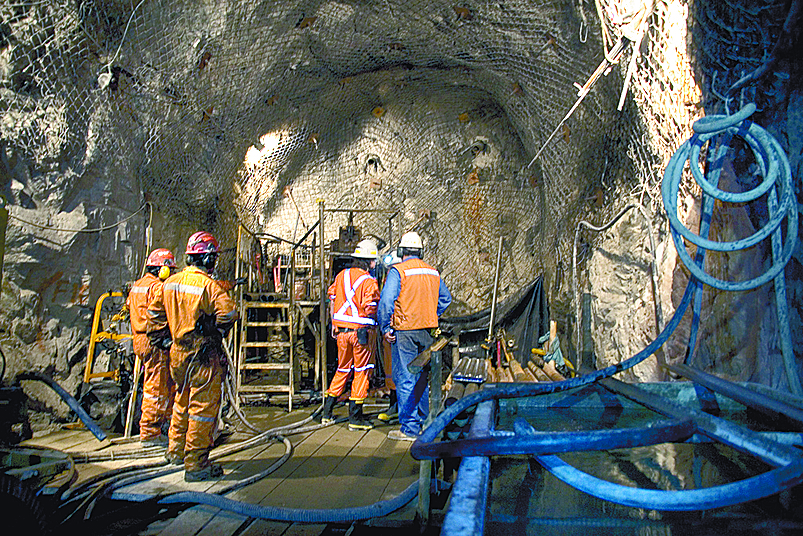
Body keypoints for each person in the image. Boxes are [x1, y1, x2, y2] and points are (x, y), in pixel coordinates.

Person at [146, 231, 239, 481]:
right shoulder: (208, 285)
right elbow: (230, 314)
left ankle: (176, 451)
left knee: (182, 400)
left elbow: (153, 315)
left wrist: (163, 339)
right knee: (202, 408)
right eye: (213, 257)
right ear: (207, 259)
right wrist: (213, 330)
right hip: (202, 354)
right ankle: (196, 464)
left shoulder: (170, 283)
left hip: (177, 353)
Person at [378, 231, 451, 441]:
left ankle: (409, 428)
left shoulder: (398, 271)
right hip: (427, 332)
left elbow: (386, 302)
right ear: (421, 251)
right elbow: (446, 298)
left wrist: (386, 327)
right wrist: (431, 314)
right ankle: (424, 422)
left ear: (401, 251)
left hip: (405, 332)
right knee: (421, 378)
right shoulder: (432, 272)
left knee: (406, 377)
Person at [321, 239, 381, 431]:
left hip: (341, 332)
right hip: (361, 334)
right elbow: (370, 308)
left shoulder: (342, 276)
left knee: (343, 369)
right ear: (369, 262)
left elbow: (332, 298)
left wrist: (334, 323)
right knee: (362, 371)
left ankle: (326, 413)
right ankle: (355, 417)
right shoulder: (369, 281)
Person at [127, 248, 177, 447]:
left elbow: (129, 306)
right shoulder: (157, 287)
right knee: (156, 387)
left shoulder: (137, 285)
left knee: (163, 383)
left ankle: (163, 425)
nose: (171, 274)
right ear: (163, 269)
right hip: (154, 341)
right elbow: (164, 312)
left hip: (139, 339)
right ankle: (149, 433)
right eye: (170, 270)